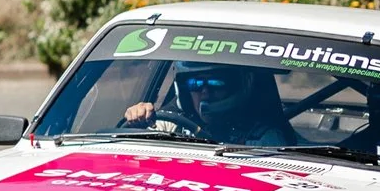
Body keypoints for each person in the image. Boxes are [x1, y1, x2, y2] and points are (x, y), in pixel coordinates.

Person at [121, 62, 300, 147]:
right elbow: (132, 152)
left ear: (238, 86)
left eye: (216, 83)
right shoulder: (170, 124)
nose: (205, 92)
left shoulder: (265, 138)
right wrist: (137, 119)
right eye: (195, 84)